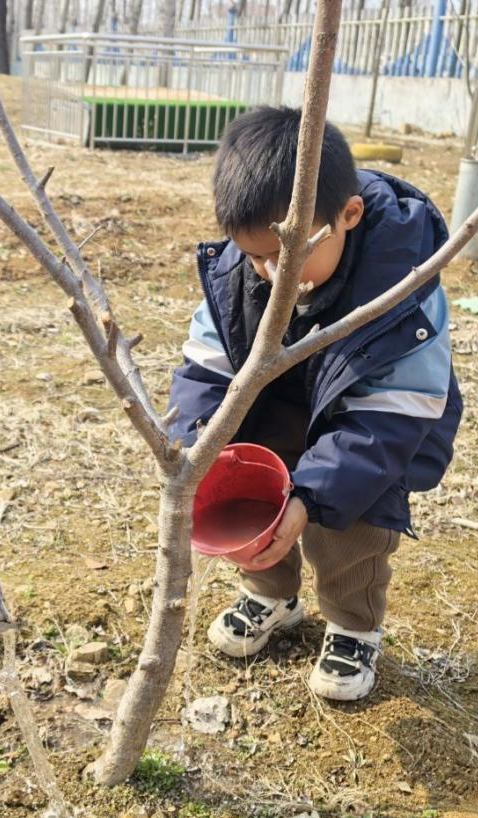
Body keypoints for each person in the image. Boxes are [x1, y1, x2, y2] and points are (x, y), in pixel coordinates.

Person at [168, 107, 463, 703]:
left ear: (348, 215)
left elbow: (391, 415)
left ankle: (353, 626)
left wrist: (313, 494)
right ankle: (270, 593)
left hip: (368, 432)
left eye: (286, 254)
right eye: (253, 257)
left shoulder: (401, 287)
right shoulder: (239, 267)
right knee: (252, 504)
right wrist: (199, 439)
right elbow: (206, 363)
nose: (269, 274)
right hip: (277, 411)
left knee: (350, 528)